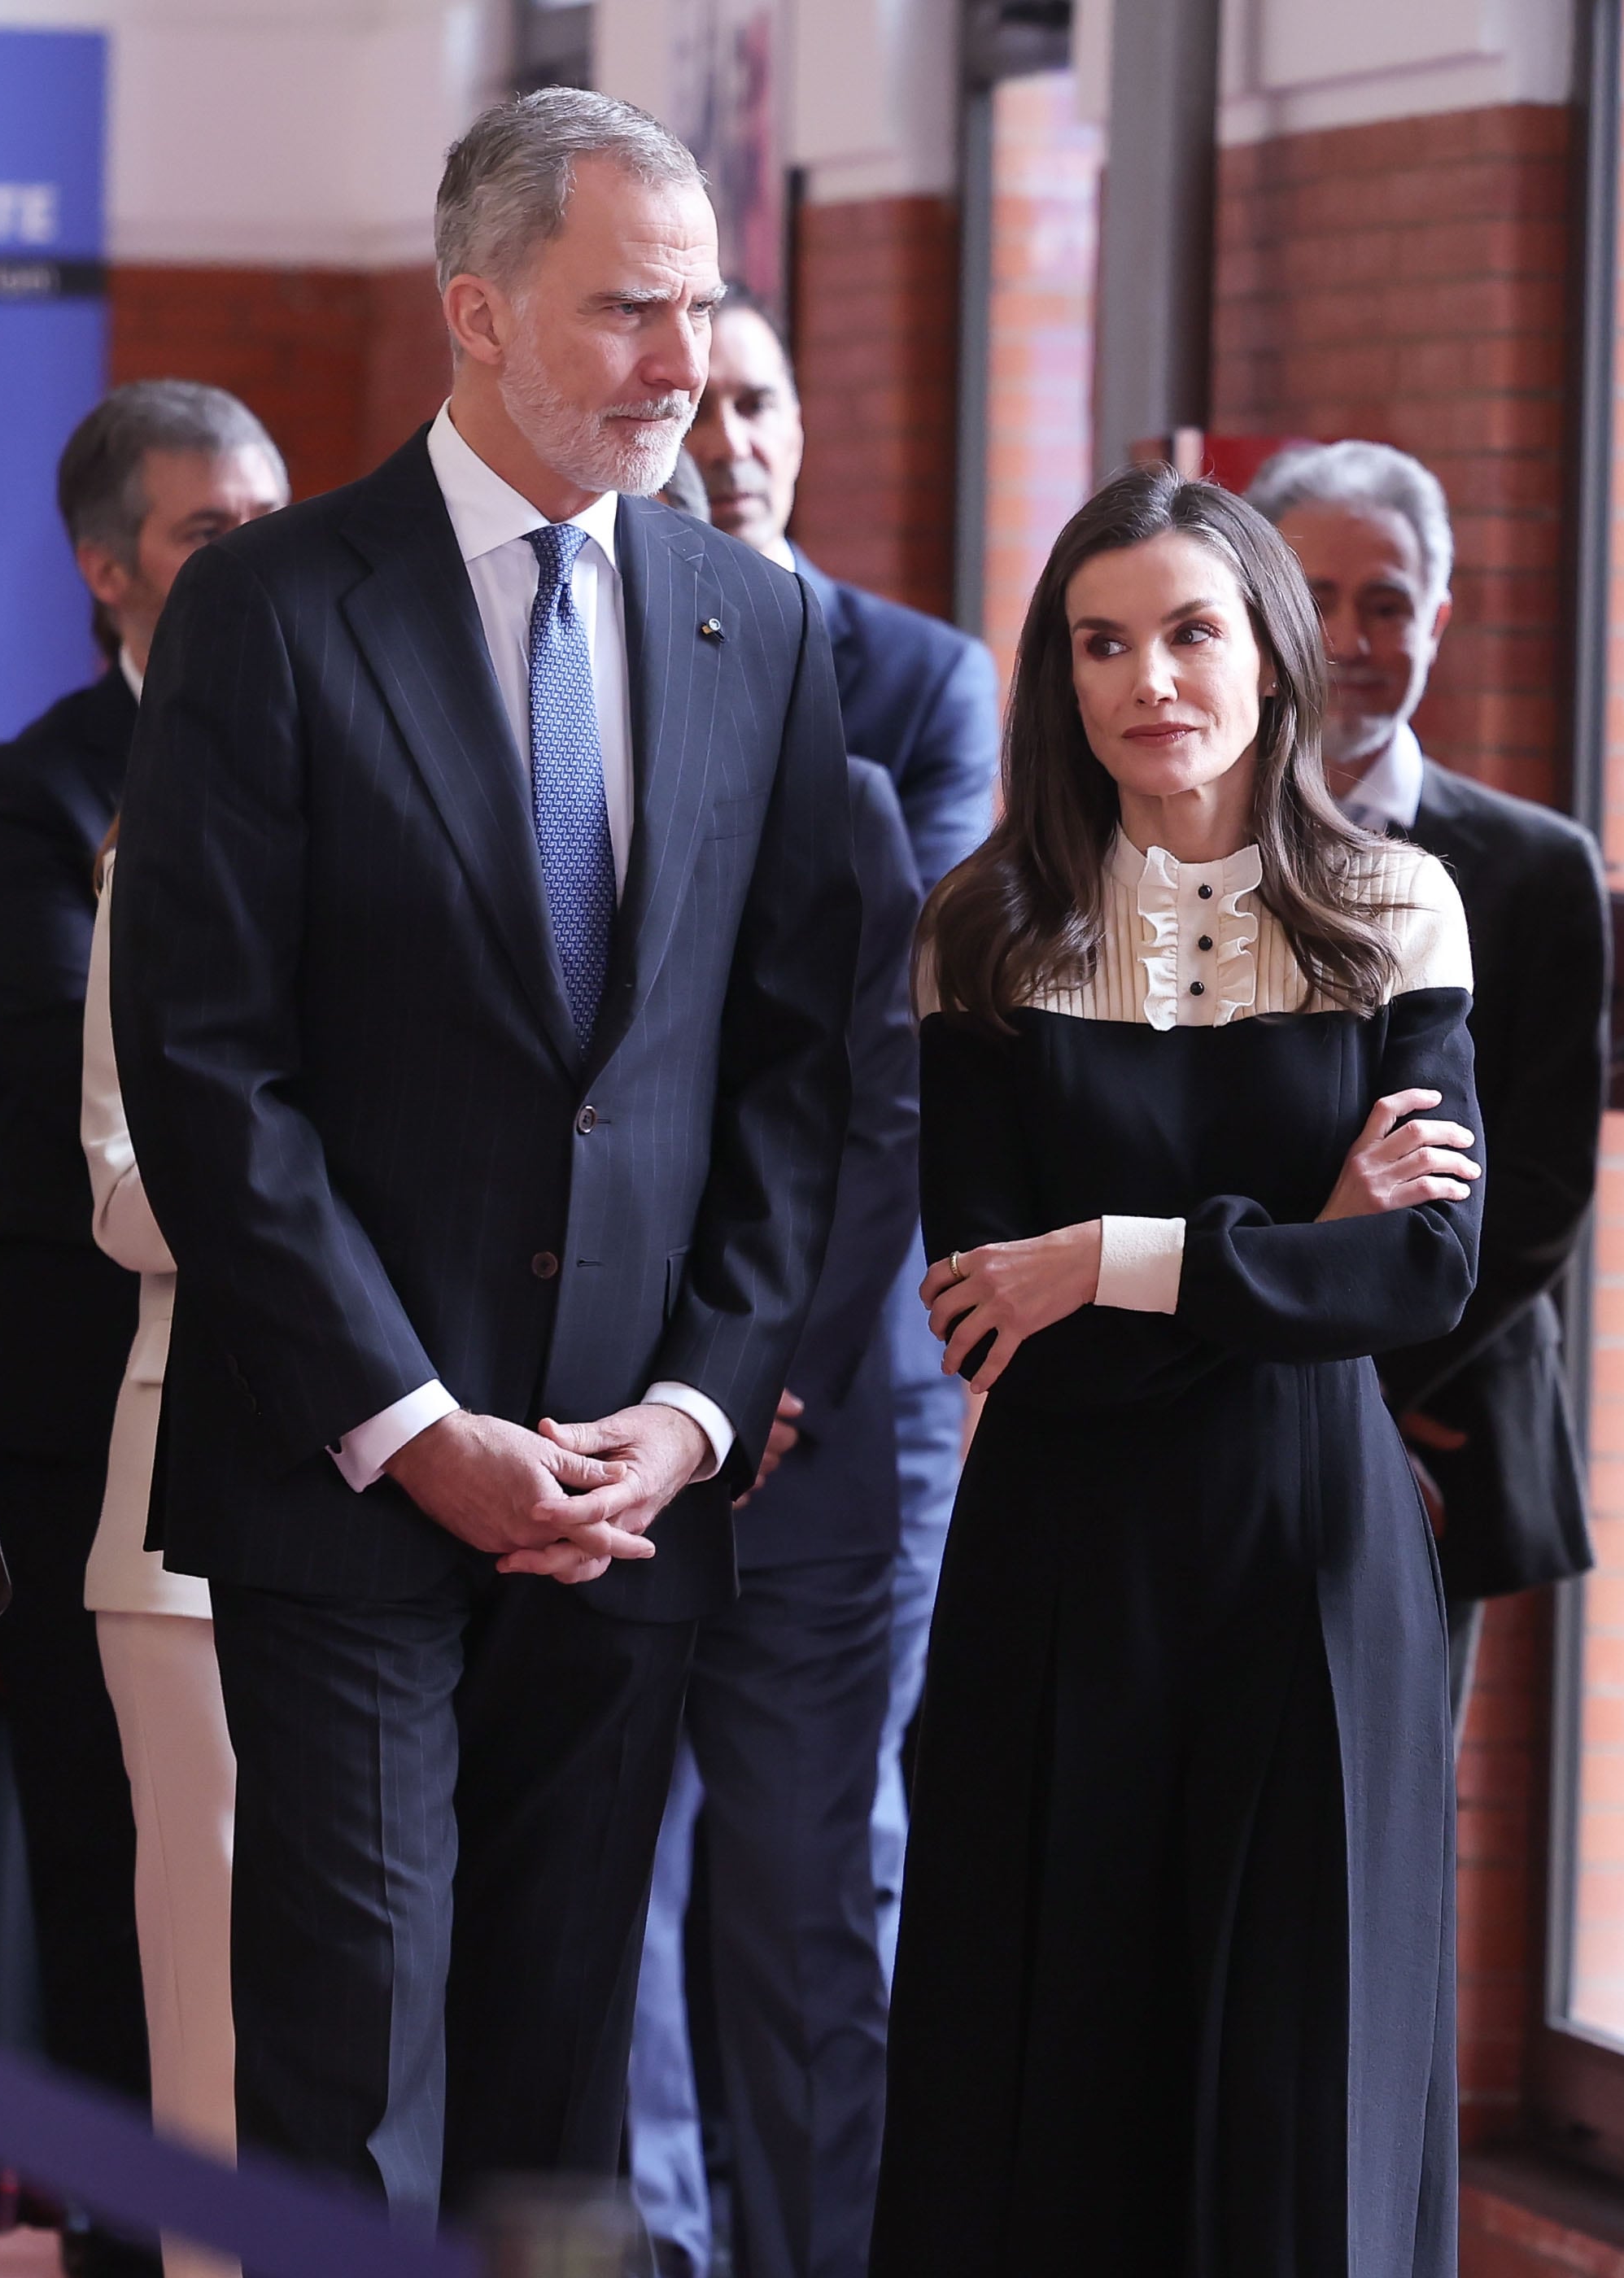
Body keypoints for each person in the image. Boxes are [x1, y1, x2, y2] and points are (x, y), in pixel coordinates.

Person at [107, 87, 857, 2223]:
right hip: (352, 1481)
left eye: (699, 309)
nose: (683, 365)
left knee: (557, 2096)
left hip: (630, 1499)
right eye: (631, 309)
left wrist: (702, 1412)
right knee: (354, 2052)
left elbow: (796, 1069)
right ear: (476, 312)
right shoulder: (269, 614)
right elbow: (206, 1069)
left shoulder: (758, 626)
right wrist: (421, 1426)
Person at [873, 465, 1482, 2271]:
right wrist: (1296, 1228)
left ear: (1272, 656)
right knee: (1044, 2078)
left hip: (1313, 1564)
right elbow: (991, 1320)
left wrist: (1112, 1257)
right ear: (1060, 680)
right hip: (1064, 1561)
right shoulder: (983, 928)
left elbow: (1425, 1273)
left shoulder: (1398, 908)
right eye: (1101, 641)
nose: (1151, 677)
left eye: (1192, 630)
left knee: (1305, 2078)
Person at [630, 291, 995, 2278]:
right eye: (695, 404)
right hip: (591, 1411)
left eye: (757, 397)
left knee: (802, 1902)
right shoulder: (545, 696)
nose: (728, 436)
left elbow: (894, 1076)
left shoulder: (912, 700)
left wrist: (750, 1373)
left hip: (831, 1414)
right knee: (604, 1914)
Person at [0, 381, 286, 2273]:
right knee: (105, 1877)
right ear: (108, 570)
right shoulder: (37, 800)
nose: (251, 562)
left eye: (269, 522)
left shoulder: (340, 757)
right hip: (95, 1435)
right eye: (204, 535)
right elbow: (93, 1111)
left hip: (322, 1428)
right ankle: (110, 2238)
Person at [1251, 439, 1604, 1728]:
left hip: (1436, 1425)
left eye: (1389, 604)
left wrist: (1364, 1392)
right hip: (1206, 1401)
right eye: (1318, 597)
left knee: (1378, 1831)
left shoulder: (1535, 870)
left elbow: (1543, 1188)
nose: (1352, 636)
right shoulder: (1169, 854)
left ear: (1438, 620)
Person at [77, 868, 235, 2278]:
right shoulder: (153, 864)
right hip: (182, 1533)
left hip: (466, 1503)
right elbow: (122, 1193)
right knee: (212, 2025)